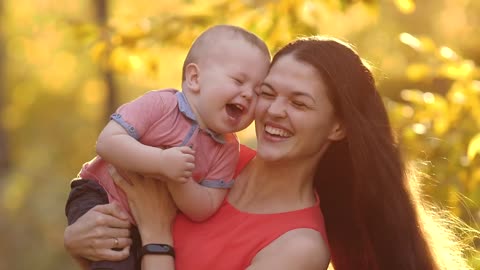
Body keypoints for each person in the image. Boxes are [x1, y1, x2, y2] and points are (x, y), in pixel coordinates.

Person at [64, 36, 475, 270]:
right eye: (268, 92)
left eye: (299, 103)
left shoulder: (300, 246)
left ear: (338, 127)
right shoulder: (213, 159)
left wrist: (156, 237)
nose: (275, 111)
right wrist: (81, 238)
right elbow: (114, 217)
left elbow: (149, 228)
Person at [64, 24, 270, 269]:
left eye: (258, 91)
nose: (248, 94)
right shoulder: (161, 104)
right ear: (195, 78)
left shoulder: (226, 149)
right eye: (238, 81)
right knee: (113, 257)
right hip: (100, 194)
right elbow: (107, 143)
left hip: (146, 222)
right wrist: (160, 163)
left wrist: (179, 179)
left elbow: (204, 208)